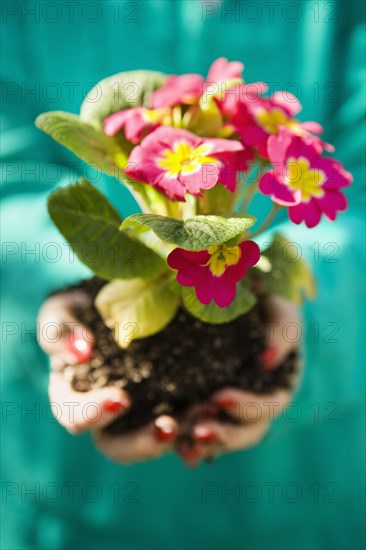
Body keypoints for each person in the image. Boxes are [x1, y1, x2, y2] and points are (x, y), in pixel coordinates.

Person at [2, 1, 365, 549]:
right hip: (70, 508)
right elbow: (10, 184)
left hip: (302, 503)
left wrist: (294, 321)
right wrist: (64, 293)